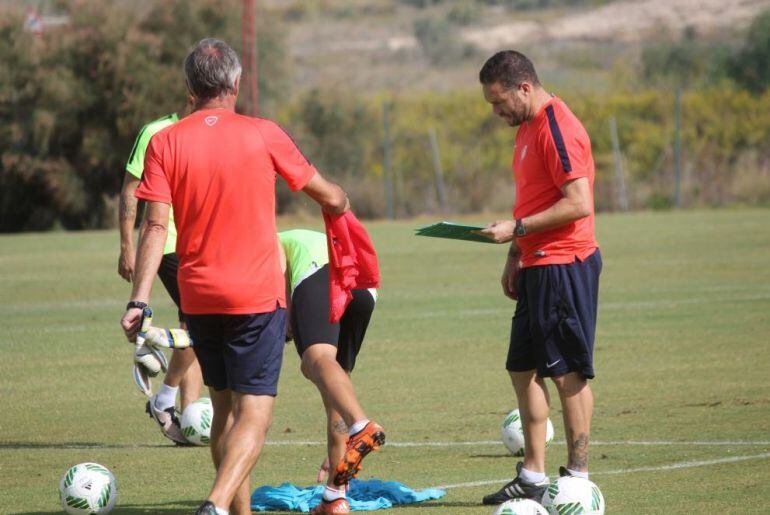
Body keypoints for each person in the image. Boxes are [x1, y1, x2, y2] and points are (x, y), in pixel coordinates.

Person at [120, 38, 350, 515]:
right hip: (254, 296)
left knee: (222, 410)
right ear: (236, 84)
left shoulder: (166, 140)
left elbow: (155, 225)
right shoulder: (263, 132)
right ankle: (217, 504)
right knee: (255, 416)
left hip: (198, 296)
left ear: (189, 89)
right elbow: (325, 194)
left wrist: (139, 301)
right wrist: (340, 202)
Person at [476, 50, 602, 505]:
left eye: (498, 101)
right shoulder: (527, 127)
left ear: (524, 88)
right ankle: (532, 476)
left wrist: (518, 230)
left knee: (567, 372)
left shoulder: (557, 126)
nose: (496, 112)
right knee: (522, 367)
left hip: (564, 263)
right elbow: (531, 198)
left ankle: (578, 479)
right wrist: (514, 253)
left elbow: (578, 202)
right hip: (534, 263)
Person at [278, 229, 383, 515]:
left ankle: (360, 426)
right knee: (335, 382)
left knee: (315, 359)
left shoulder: (271, 240)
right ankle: (336, 495)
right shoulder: (300, 236)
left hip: (322, 276)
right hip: (363, 282)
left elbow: (277, 283)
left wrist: (284, 323)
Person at [119, 112, 203, 445]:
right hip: (166, 244)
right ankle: (165, 398)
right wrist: (127, 244)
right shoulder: (156, 131)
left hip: (198, 245)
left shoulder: (212, 131)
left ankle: (189, 416)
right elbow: (130, 189)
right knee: (198, 325)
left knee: (193, 329)